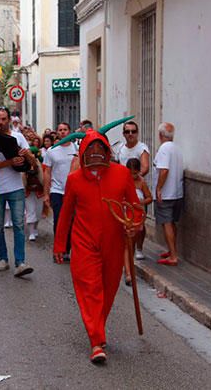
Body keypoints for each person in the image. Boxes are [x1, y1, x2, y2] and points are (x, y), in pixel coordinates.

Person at [53, 127, 141, 364]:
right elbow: (65, 214)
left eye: (99, 148)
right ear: (82, 153)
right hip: (84, 242)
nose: (94, 153)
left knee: (108, 289)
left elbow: (135, 208)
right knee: (90, 289)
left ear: (106, 151)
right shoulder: (74, 180)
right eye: (89, 149)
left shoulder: (122, 174)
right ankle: (96, 341)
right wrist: (60, 244)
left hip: (114, 242)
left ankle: (97, 329)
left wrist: (134, 225)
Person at [0, 107, 35, 277]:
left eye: (3, 119)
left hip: (15, 187)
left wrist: (26, 156)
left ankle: (20, 262)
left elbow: (31, 162)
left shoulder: (18, 137)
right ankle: (3, 259)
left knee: (19, 225)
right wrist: (10, 161)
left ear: (9, 120)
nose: (0, 122)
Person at [43, 122, 78, 261]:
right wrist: (46, 193)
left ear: (69, 132)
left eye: (65, 130)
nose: (63, 132)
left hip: (73, 192)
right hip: (57, 190)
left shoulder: (77, 149)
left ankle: (67, 249)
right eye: (60, 130)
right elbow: (47, 173)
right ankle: (58, 249)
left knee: (72, 221)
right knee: (59, 221)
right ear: (57, 133)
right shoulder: (52, 151)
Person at [153, 122, 184, 266]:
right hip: (177, 192)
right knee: (171, 223)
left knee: (167, 223)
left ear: (160, 135)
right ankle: (172, 250)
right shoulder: (176, 148)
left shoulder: (164, 149)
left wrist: (159, 188)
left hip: (166, 194)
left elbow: (164, 170)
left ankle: (173, 256)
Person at [123, 158, 153, 285]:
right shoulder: (123, 182)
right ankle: (128, 273)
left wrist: (140, 202)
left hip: (137, 216)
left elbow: (149, 198)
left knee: (132, 245)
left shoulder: (141, 183)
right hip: (126, 215)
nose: (133, 176)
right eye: (130, 173)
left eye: (135, 173)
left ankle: (129, 268)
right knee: (126, 245)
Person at [25, 146, 44, 241]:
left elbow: (44, 178)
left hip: (39, 191)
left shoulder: (41, 165)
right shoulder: (24, 166)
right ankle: (31, 232)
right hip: (28, 192)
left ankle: (35, 227)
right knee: (30, 211)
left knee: (38, 212)